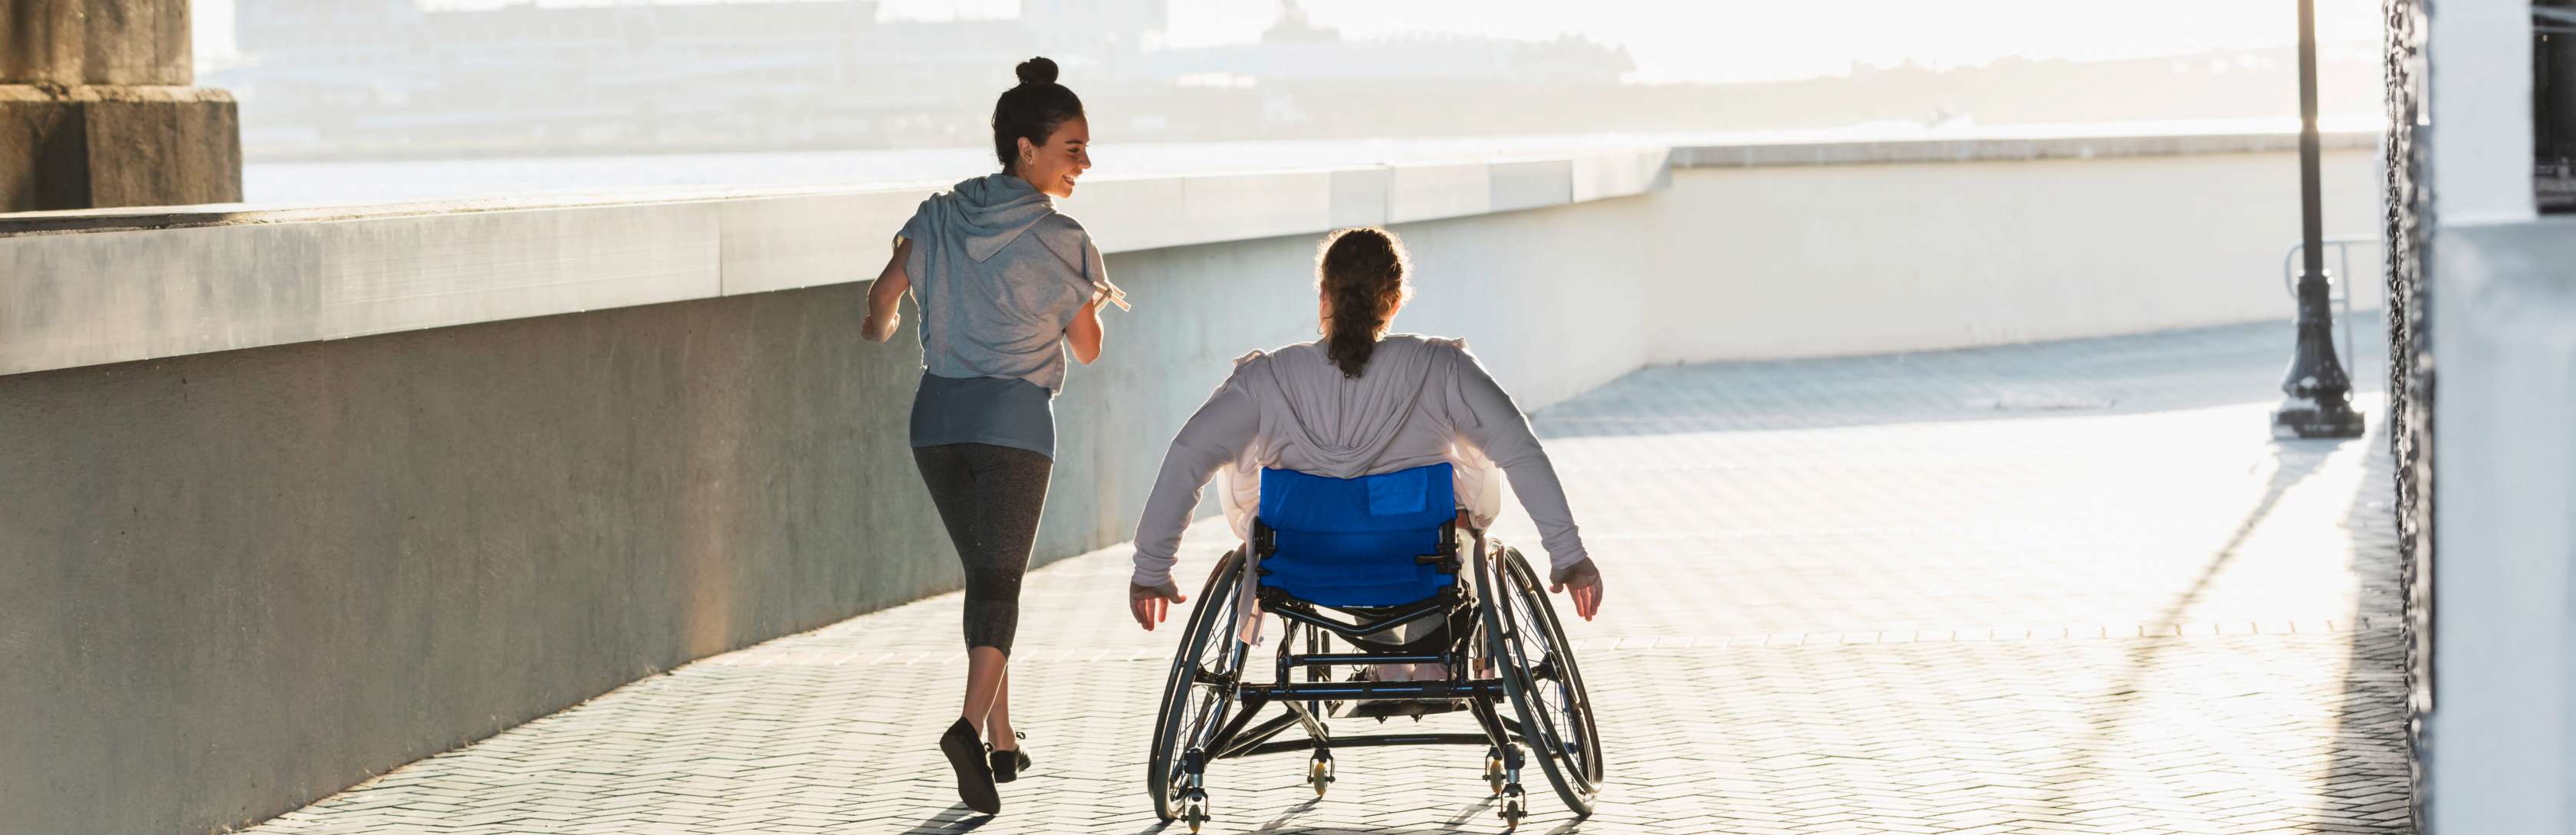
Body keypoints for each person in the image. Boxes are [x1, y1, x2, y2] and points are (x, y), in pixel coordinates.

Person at [1123, 227, 1603, 646]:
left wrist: (1152, 570)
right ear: (1394, 303)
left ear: (1323, 298)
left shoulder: (1266, 379)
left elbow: (1188, 454)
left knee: (1320, 512)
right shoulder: (1441, 367)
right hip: (1418, 556)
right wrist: (1568, 556)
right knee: (1447, 503)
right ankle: (1426, 649)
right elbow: (1519, 449)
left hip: (1300, 560)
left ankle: (1384, 657)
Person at [861, 55, 1124, 817]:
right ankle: (967, 730)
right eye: (1072, 148)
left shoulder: (938, 214)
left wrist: (879, 327)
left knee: (987, 575)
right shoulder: (1062, 238)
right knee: (1001, 580)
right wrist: (1083, 297)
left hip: (936, 421)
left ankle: (1004, 741)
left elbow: (882, 299)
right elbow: (1087, 348)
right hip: (1012, 425)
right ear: (1027, 150)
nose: (1084, 162)